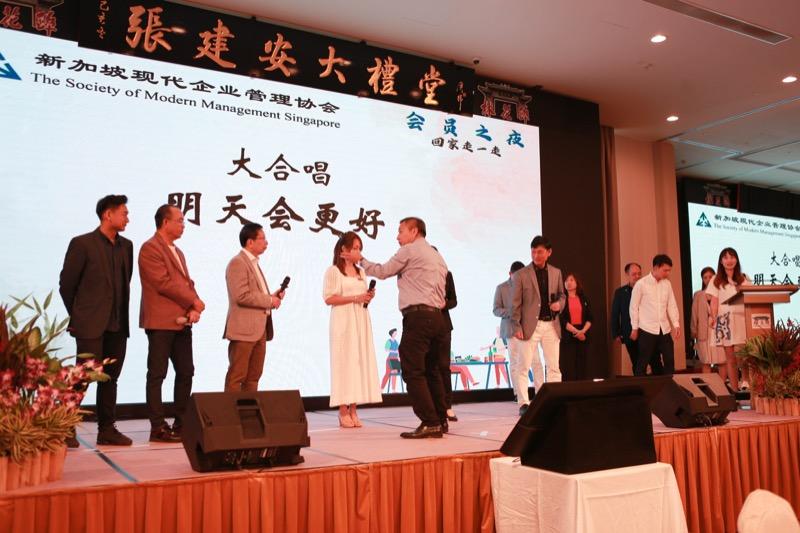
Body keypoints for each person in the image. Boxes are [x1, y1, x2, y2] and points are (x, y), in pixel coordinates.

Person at [341, 217, 449, 439]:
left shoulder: (409, 250)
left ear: (414, 231)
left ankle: (430, 422)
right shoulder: (436, 255)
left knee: (413, 370)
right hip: (438, 318)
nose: (397, 236)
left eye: (401, 231)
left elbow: (382, 271)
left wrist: (360, 260)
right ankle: (440, 420)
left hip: (418, 318)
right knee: (432, 371)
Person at [59, 194, 133, 447]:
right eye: (124, 214)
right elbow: (67, 285)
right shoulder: (82, 243)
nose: (127, 219)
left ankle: (107, 429)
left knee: (111, 378)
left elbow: (125, 283)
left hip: (118, 324)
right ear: (107, 215)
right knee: (84, 375)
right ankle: (64, 425)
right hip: (90, 324)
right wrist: (79, 316)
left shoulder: (127, 246)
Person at [139, 204, 204, 443]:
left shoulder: (178, 251)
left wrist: (193, 307)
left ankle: (181, 422)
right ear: (165, 223)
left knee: (186, 371)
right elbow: (163, 283)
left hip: (182, 321)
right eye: (179, 220)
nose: (183, 225)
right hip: (161, 321)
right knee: (157, 374)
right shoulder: (150, 248)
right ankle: (157, 426)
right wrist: (193, 301)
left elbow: (186, 283)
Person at [323, 232, 382, 428]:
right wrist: (355, 298)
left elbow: (362, 296)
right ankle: (342, 410)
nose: (358, 252)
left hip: (360, 319)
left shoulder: (361, 272)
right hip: (343, 320)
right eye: (355, 248)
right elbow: (329, 298)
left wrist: (367, 296)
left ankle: (354, 409)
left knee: (357, 362)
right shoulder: (333, 271)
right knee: (344, 363)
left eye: (359, 248)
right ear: (344, 249)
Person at [223, 223, 283, 393]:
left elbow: (255, 294)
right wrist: (269, 300)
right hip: (244, 330)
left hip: (259, 330)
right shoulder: (238, 263)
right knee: (237, 376)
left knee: (254, 376)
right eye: (262, 238)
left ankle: (248, 410)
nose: (266, 242)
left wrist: (272, 297)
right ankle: (230, 410)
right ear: (250, 242)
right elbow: (241, 295)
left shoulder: (254, 263)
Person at [509, 235, 565, 416]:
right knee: (523, 365)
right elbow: (515, 304)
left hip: (551, 325)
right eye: (533, 252)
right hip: (529, 326)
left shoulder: (556, 272)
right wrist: (516, 326)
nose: (536, 255)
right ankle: (523, 403)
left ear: (549, 252)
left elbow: (562, 295)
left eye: (540, 252)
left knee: (553, 367)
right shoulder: (521, 274)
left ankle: (554, 401)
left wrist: (559, 304)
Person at [706, 247, 750, 390]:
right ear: (721, 261)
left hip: (742, 319)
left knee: (744, 354)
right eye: (725, 258)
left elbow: (750, 298)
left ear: (736, 260)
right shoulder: (716, 279)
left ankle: (746, 381)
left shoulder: (743, 278)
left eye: (732, 257)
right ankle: (735, 390)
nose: (729, 260)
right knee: (730, 358)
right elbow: (714, 301)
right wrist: (713, 317)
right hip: (725, 320)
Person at [629, 254, 680, 376]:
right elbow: (633, 307)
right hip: (647, 329)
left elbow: (671, 305)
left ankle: (669, 385)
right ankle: (639, 386)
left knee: (669, 360)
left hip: (664, 329)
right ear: (656, 267)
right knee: (643, 362)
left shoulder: (667, 284)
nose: (667, 273)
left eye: (669, 270)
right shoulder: (641, 284)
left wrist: (676, 324)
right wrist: (634, 328)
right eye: (665, 270)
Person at [691, 267, 726, 376]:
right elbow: (694, 314)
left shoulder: (722, 293)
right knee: (705, 361)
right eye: (705, 277)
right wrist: (693, 329)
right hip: (703, 331)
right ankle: (709, 385)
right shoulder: (698, 295)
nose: (708, 279)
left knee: (722, 361)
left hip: (719, 330)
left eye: (710, 276)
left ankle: (722, 384)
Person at [559, 273, 593, 381]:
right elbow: (562, 319)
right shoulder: (562, 300)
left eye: (571, 280)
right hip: (568, 335)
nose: (568, 282)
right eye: (566, 281)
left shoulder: (584, 298)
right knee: (569, 366)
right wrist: (576, 332)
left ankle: (582, 388)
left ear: (577, 283)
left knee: (582, 365)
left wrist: (582, 331)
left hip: (583, 335)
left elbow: (590, 318)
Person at [610, 262, 643, 373]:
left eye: (639, 274)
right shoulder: (620, 293)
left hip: (647, 332)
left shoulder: (646, 290)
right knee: (636, 363)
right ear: (627, 275)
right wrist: (616, 333)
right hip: (629, 332)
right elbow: (615, 314)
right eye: (634, 274)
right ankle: (640, 382)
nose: (637, 276)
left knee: (653, 361)